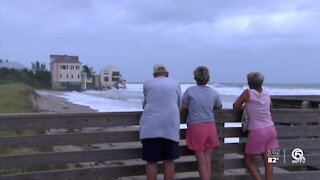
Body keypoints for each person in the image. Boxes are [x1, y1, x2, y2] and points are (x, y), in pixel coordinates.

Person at [233, 72, 279, 180]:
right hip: (271, 129)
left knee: (248, 160)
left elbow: (235, 106)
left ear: (249, 83)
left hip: (257, 131)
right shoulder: (266, 93)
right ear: (261, 82)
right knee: (269, 161)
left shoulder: (247, 93)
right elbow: (270, 107)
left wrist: (246, 107)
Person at [139, 64, 181, 180]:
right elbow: (179, 105)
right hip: (170, 126)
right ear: (167, 74)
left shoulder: (147, 84)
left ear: (154, 75)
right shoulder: (176, 83)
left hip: (150, 126)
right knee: (169, 160)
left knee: (151, 161)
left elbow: (145, 104)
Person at [180, 66, 222, 180]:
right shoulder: (213, 92)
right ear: (208, 78)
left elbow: (184, 106)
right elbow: (219, 106)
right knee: (207, 160)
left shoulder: (190, 91)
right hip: (210, 126)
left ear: (195, 77)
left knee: (201, 161)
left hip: (197, 126)